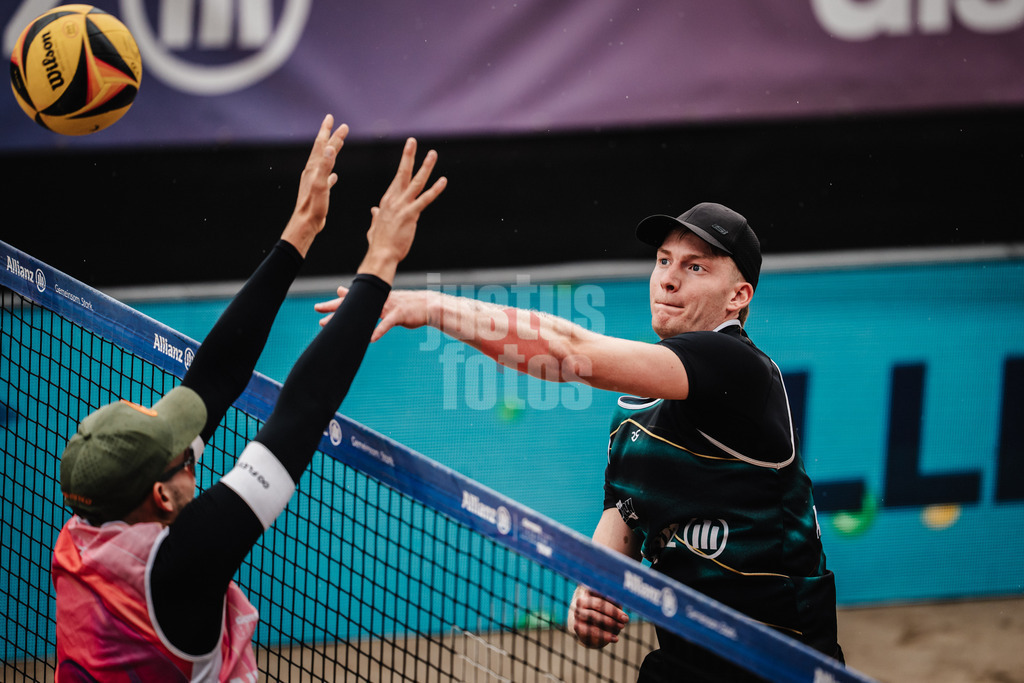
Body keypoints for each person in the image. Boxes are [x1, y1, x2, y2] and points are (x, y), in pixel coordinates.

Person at [315, 201, 843, 681]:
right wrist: (590, 596)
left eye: (695, 267)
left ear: (738, 297)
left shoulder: (739, 368)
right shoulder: (637, 412)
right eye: (663, 261)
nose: (668, 279)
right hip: (687, 660)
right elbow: (624, 523)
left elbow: (569, 352)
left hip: (782, 664)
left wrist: (432, 307)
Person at [52, 114, 446, 681]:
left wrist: (300, 231)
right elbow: (302, 412)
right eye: (183, 453)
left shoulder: (83, 532)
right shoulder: (181, 565)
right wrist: (380, 260)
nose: (191, 443)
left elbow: (211, 380)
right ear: (161, 496)